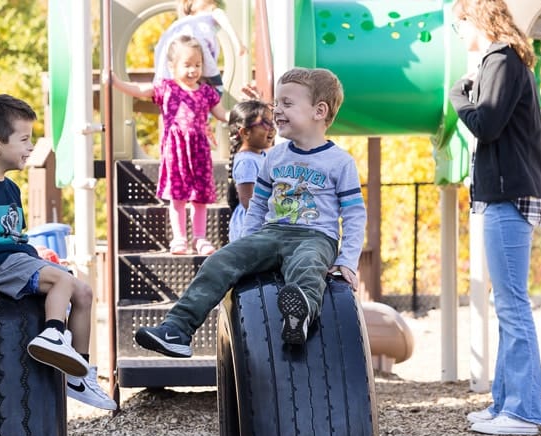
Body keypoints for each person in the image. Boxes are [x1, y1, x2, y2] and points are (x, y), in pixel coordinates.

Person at [134, 67, 366, 356]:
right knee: (219, 261)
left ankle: (300, 315)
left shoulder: (340, 162)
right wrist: (245, 244)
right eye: (276, 103)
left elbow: (354, 214)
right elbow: (257, 205)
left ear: (319, 111)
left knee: (307, 266)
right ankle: (177, 329)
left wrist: (347, 260)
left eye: (287, 104)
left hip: (315, 236)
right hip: (272, 233)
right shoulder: (274, 157)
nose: (277, 111)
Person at [0, 93, 116, 411]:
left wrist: (36, 255)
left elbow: (11, 236)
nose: (31, 147)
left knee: (84, 292)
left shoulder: (10, 187)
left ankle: (82, 374)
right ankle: (52, 335)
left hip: (12, 259)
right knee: (62, 281)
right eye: (24, 139)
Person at [449, 0, 541, 436]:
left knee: (512, 305)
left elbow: (486, 124)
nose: (458, 34)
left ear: (476, 20)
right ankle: (504, 404)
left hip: (509, 194)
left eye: (460, 25)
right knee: (506, 303)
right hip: (506, 192)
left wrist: (458, 94)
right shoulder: (504, 59)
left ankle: (524, 412)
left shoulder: (501, 59)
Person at [112, 35, 228, 255]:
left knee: (200, 197)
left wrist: (243, 115)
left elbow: (221, 114)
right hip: (176, 152)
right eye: (187, 65)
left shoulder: (206, 92)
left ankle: (200, 238)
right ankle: (180, 238)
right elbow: (140, 90)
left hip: (200, 152)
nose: (193, 70)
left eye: (198, 65)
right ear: (171, 66)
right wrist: (116, 83)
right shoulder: (167, 88)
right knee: (178, 196)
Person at [153, 0, 247, 94]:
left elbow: (226, 23)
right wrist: (238, 44)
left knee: (190, 71)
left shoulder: (191, 20)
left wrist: (238, 43)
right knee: (211, 79)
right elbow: (227, 24)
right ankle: (212, 93)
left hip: (185, 46)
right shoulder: (194, 19)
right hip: (195, 45)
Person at [226, 99, 276, 242]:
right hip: (251, 228)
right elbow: (248, 201)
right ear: (245, 132)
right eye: (265, 123)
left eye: (272, 122)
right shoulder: (247, 161)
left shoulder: (261, 155)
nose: (272, 128)